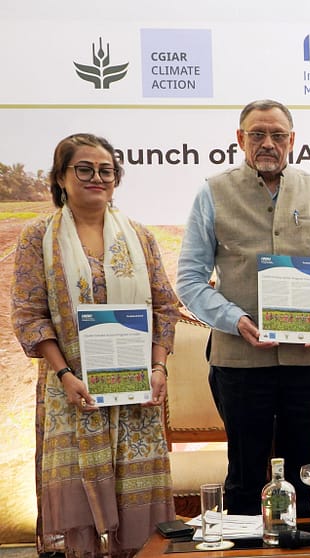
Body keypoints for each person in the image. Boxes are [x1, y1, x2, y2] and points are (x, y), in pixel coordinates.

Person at [176, 99, 310, 516]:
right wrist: (234, 320)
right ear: (240, 139)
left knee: (303, 475)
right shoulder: (213, 192)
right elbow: (189, 279)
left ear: (292, 141)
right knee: (245, 473)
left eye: (278, 135)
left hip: (306, 359)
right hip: (239, 361)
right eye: (257, 134)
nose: (267, 143)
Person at [11, 133, 179, 556]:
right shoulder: (39, 238)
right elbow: (29, 314)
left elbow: (164, 307)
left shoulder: (139, 237)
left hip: (135, 393)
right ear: (61, 177)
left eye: (106, 170)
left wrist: (158, 369)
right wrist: (65, 375)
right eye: (84, 169)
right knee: (80, 517)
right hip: (73, 392)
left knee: (140, 519)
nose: (96, 178)